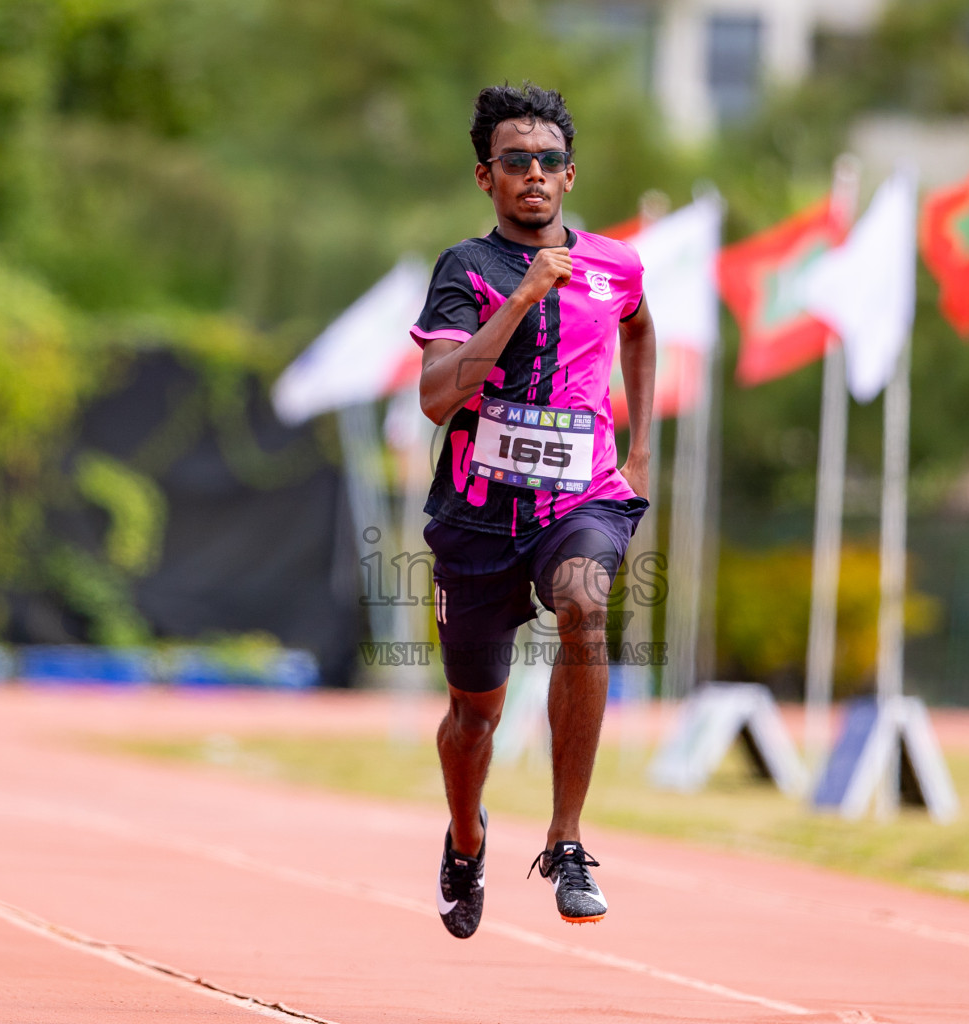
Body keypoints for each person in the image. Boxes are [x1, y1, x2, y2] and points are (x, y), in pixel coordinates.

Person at [411, 82, 655, 939]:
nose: (535, 176)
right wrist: (522, 298)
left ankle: (567, 840)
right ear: (487, 177)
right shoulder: (465, 271)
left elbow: (638, 326)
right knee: (474, 717)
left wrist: (640, 446)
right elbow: (438, 397)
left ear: (570, 175)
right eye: (517, 162)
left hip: (580, 500)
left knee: (586, 602)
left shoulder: (616, 264)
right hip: (479, 519)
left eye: (549, 162)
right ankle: (468, 838)